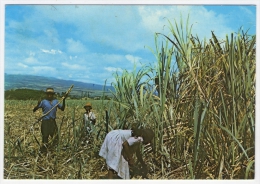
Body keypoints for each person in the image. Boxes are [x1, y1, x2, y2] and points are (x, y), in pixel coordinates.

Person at [33, 87, 67, 153]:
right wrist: (38, 104)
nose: (49, 95)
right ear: (46, 94)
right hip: (45, 122)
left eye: (51, 94)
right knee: (45, 137)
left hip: (53, 122)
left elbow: (62, 109)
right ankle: (44, 152)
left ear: (52, 94)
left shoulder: (56, 101)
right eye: (48, 94)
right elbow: (34, 110)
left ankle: (54, 151)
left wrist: (64, 100)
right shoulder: (43, 102)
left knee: (55, 137)